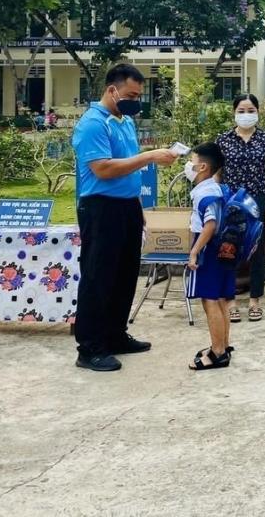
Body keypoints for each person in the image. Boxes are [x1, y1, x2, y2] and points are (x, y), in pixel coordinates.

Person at [72, 64, 178, 372]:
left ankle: (116, 334)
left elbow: (128, 167)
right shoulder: (93, 124)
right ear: (111, 90)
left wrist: (138, 207)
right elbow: (103, 169)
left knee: (125, 273)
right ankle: (90, 348)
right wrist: (149, 156)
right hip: (100, 207)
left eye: (139, 95)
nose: (135, 100)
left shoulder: (124, 121)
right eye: (131, 94)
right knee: (98, 276)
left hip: (127, 205)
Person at [216, 93, 265, 323]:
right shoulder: (223, 140)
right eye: (241, 111)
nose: (246, 115)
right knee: (228, 248)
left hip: (258, 199)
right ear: (234, 112)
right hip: (231, 200)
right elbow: (217, 173)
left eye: (251, 110)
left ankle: (255, 300)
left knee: (257, 249)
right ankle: (230, 300)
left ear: (258, 112)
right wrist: (215, 201)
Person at [184, 142, 234, 371]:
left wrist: (194, 252)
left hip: (208, 250)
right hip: (223, 250)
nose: (188, 166)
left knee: (209, 300)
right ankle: (222, 345)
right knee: (221, 298)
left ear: (202, 167)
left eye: (192, 162)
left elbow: (210, 225)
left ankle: (217, 353)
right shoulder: (216, 188)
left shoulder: (205, 193)